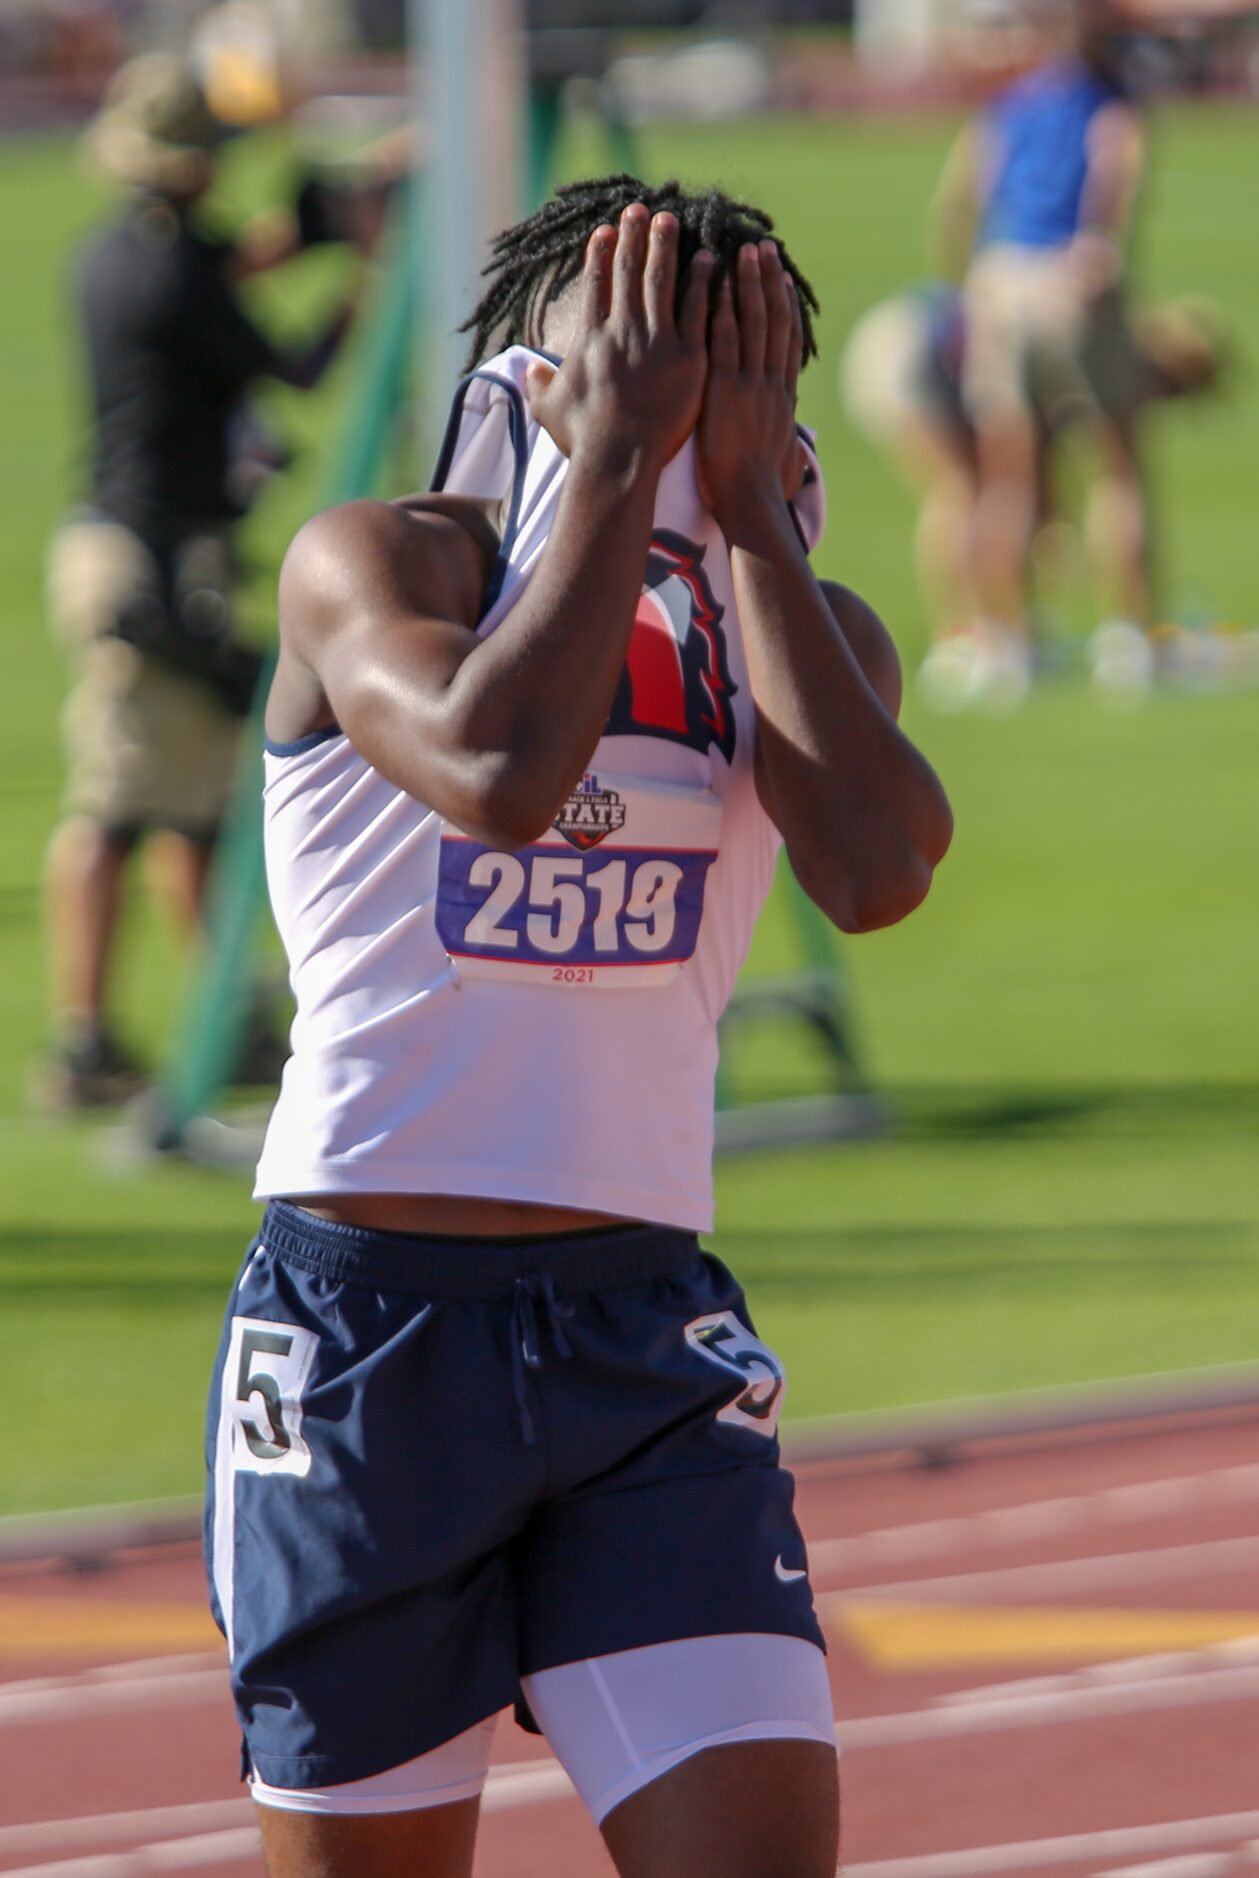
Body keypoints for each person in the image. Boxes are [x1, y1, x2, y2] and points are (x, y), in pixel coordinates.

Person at [204, 177, 953, 1878]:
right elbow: (494, 774)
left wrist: (749, 520)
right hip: (366, 1334)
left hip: (640, 1337)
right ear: (535, 374)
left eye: (725, 375)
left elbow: (877, 869)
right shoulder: (379, 562)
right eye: (640, 361)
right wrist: (612, 472)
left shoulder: (798, 631)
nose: (679, 407)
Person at [40, 52, 373, 1109]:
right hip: (150, 557)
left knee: (190, 806)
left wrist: (302, 235)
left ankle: (212, 1022)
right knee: (120, 805)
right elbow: (297, 367)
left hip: (136, 545)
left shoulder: (122, 254)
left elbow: (226, 274)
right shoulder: (177, 269)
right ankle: (82, 1043)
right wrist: (371, 272)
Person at [840, 280, 1225, 706]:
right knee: (965, 492)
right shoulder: (1094, 351)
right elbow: (1031, 469)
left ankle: (991, 633)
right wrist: (1056, 529)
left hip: (902, 336)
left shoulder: (1079, 329)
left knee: (974, 491)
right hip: (914, 352)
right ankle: (967, 639)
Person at [929, 0, 1146, 702]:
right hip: (1066, 281)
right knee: (1116, 465)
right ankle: (1131, 640)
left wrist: (969, 289)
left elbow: (959, 200)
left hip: (998, 284)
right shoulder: (1110, 101)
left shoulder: (1007, 105)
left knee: (1006, 472)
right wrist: (1100, 249)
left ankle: (1008, 643)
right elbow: (1115, 179)